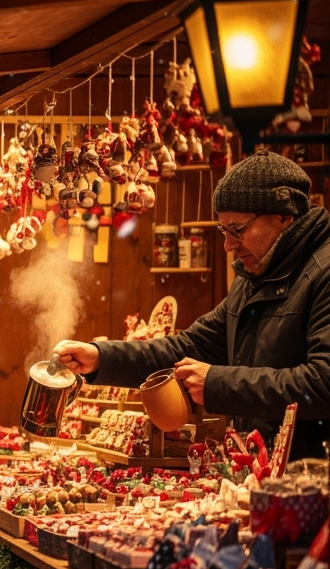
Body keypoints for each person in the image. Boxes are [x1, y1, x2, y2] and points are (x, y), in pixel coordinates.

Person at [55, 152, 330, 461]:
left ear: (284, 216)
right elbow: (187, 347)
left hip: (315, 483)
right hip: (268, 478)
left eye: (238, 230)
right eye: (223, 231)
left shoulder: (324, 272)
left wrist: (216, 383)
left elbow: (323, 384)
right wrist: (100, 358)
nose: (228, 246)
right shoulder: (253, 278)